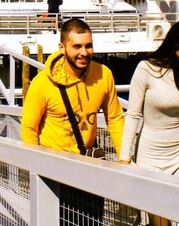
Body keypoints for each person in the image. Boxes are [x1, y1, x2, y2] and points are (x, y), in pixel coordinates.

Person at [21, 19, 124, 224]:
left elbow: (114, 118)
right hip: (54, 169)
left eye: (88, 45)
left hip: (89, 164)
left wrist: (125, 159)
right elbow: (29, 128)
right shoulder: (42, 83)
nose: (84, 52)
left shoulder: (104, 75)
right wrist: (36, 169)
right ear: (62, 47)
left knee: (92, 221)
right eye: (77, 46)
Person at [118, 19, 179, 226]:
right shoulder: (146, 69)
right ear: (176, 45)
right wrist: (124, 159)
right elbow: (133, 116)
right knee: (158, 221)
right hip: (151, 155)